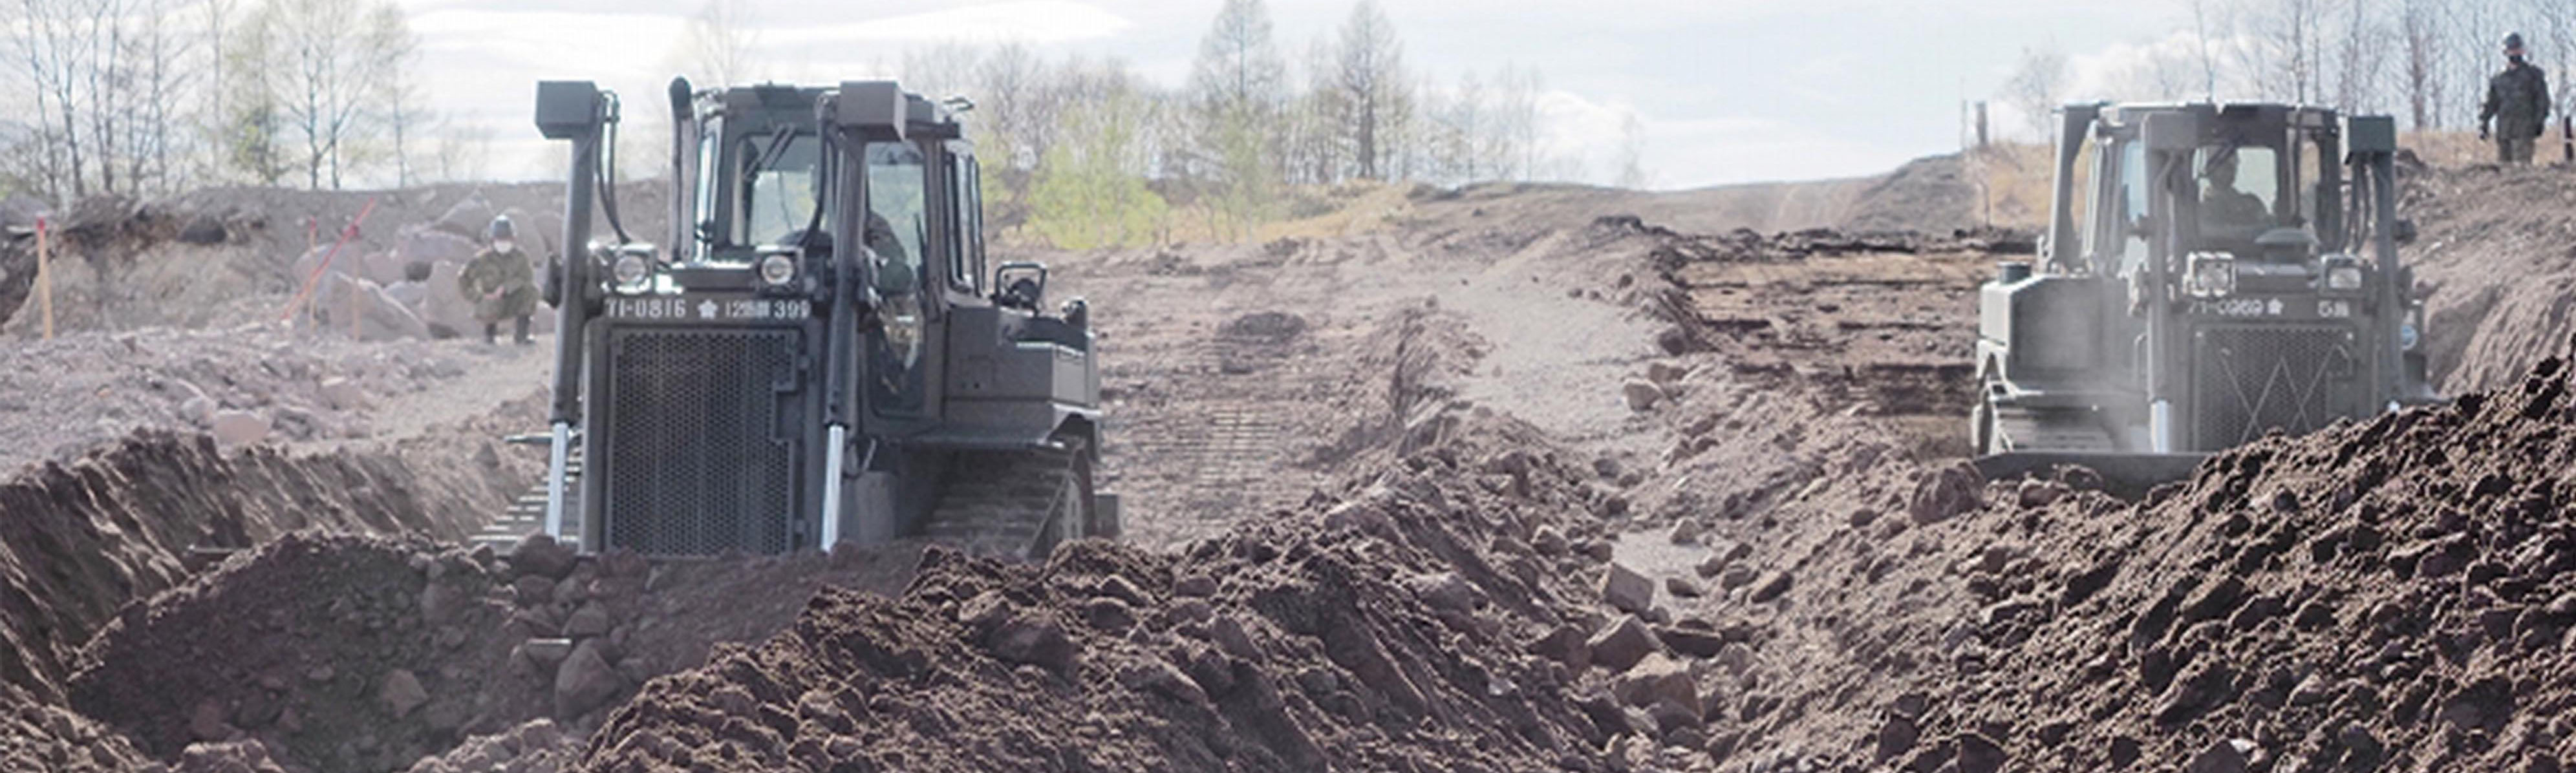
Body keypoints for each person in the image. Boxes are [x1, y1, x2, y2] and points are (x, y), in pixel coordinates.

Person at [458, 215, 539, 344]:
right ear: (492, 240)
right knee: (489, 304)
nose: (503, 242)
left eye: (506, 238)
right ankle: (489, 335)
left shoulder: (521, 258)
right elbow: (464, 278)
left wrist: (506, 288)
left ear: (513, 239)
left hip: (513, 301)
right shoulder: (483, 260)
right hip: (490, 304)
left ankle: (522, 335)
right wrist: (477, 297)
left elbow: (527, 278)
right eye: (499, 238)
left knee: (532, 291)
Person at [2481, 32, 2552, 165]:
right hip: (2504, 132)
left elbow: (2542, 101)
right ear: (2505, 52)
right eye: (2511, 49)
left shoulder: (2533, 75)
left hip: (2525, 130)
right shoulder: (2499, 78)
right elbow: (2491, 102)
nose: (2515, 53)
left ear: (2523, 50)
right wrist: (2484, 123)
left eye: (2517, 49)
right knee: (2505, 171)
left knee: (2522, 170)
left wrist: (2539, 121)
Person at [2200, 150, 2269, 236]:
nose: (2224, 172)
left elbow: (2267, 231)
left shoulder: (2251, 205)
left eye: (2229, 167)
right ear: (2208, 170)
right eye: (2220, 165)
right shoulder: (2196, 213)